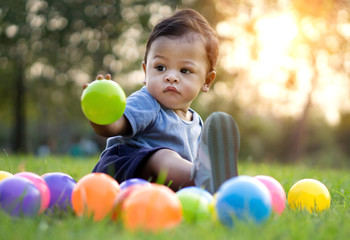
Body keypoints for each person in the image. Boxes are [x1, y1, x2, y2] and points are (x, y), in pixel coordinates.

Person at [85, 9, 240, 194]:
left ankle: (212, 180)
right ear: (145, 71)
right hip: (120, 174)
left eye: (185, 70)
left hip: (157, 190)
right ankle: (204, 180)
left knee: (180, 161)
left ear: (206, 81)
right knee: (163, 156)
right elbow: (114, 126)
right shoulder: (147, 102)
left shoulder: (197, 122)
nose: (171, 77)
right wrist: (100, 113)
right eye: (160, 67)